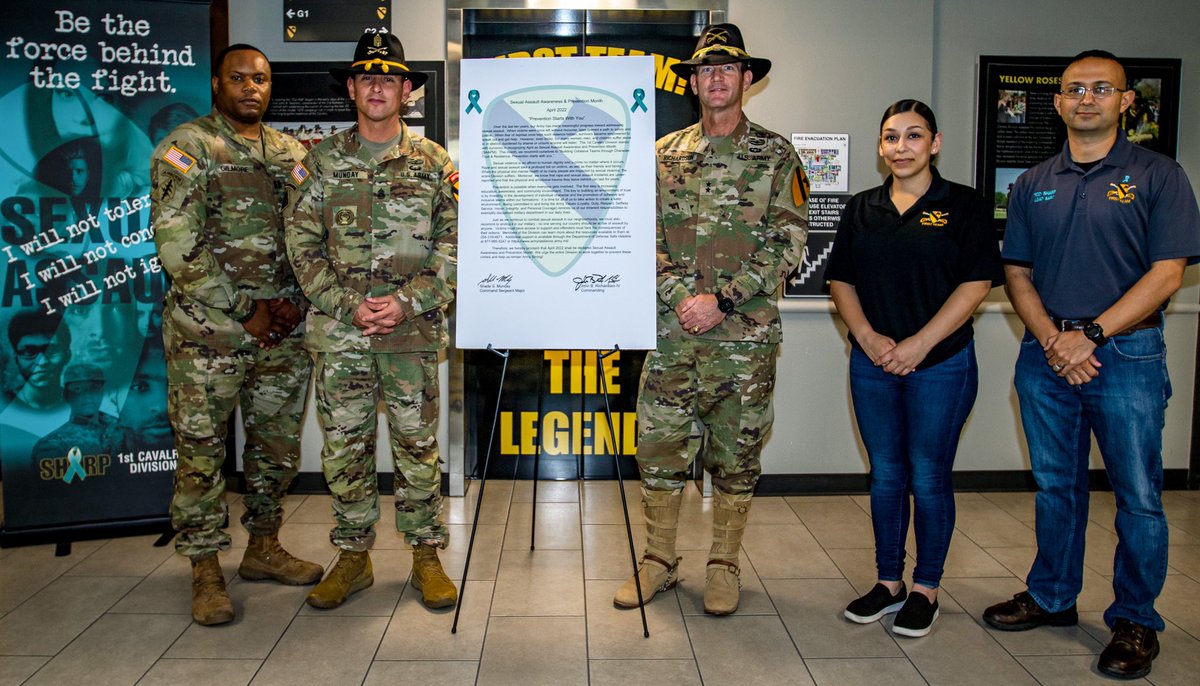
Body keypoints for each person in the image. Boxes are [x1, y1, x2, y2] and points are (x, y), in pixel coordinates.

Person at [983, 50, 1200, 679]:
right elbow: (1016, 273)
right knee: (1056, 487)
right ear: (1056, 103)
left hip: (1126, 354)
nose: (1086, 98)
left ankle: (1136, 619)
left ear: (1126, 101)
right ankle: (1052, 596)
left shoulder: (1159, 175)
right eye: (1074, 89)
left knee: (1137, 495)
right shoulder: (1032, 182)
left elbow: (1168, 272)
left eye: (1101, 89)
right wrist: (1055, 339)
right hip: (1045, 354)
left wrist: (1094, 335)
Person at [612, 24, 808, 616]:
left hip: (743, 341)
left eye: (728, 69)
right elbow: (638, 236)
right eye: (705, 69)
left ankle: (723, 564)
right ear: (693, 80)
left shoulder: (777, 155)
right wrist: (679, 297)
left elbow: (790, 239)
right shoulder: (663, 154)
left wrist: (722, 300)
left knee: (736, 453)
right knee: (661, 448)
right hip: (672, 336)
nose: (716, 78)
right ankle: (659, 560)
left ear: (747, 79)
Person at [285, 31, 459, 611]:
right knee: (345, 448)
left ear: (407, 91)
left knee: (416, 446)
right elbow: (302, 248)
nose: (378, 86)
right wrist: (346, 303)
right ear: (353, 89)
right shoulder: (321, 162)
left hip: (411, 336)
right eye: (367, 77)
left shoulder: (435, 164)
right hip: (342, 335)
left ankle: (425, 556)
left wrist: (407, 302)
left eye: (390, 78)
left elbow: (456, 248)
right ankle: (354, 556)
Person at [151, 43, 321, 626]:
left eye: (262, 80)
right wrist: (246, 308)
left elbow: (312, 234)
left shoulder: (292, 153)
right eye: (240, 78)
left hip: (281, 334)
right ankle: (204, 568)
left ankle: (264, 547)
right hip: (210, 333)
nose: (252, 88)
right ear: (217, 84)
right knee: (201, 452)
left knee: (275, 446)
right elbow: (176, 244)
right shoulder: (186, 147)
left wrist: (297, 303)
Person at [826, 100, 1003, 637]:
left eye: (913, 136)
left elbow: (976, 283)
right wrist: (868, 337)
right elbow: (841, 280)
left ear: (935, 143)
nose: (901, 147)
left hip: (941, 365)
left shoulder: (965, 206)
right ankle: (888, 582)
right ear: (880, 147)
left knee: (927, 476)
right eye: (890, 138)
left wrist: (920, 344)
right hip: (873, 363)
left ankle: (926, 587)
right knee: (885, 475)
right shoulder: (862, 207)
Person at [30, 363, 118, 467]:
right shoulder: (52, 445)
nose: (88, 395)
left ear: (102, 391)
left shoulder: (124, 427)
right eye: (78, 389)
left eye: (94, 388)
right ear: (66, 395)